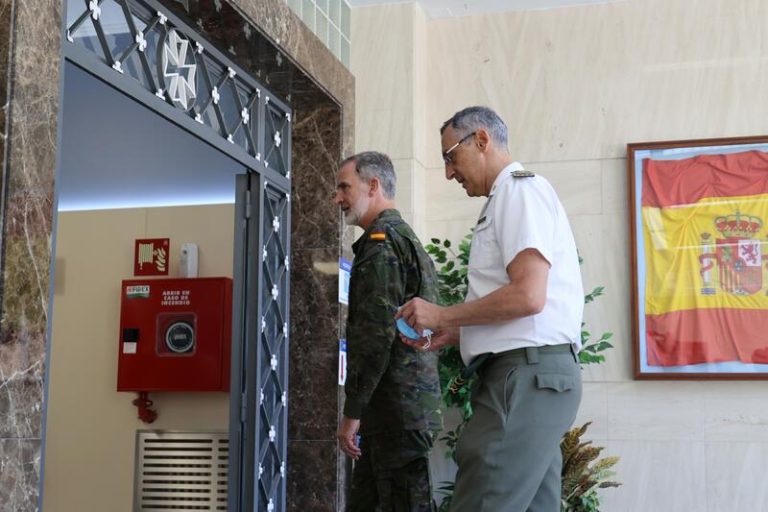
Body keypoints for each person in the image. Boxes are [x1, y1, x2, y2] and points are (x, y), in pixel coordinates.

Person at [397, 106, 584, 512]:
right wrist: (461, 332)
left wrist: (443, 315)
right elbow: (529, 308)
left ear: (481, 140)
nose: (449, 172)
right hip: (532, 376)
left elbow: (529, 295)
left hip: (523, 378)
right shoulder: (511, 195)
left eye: (450, 156)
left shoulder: (518, 191)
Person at [334, 151, 443, 512]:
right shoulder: (402, 238)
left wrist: (352, 413)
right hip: (401, 410)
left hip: (393, 411)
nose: (338, 198)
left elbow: (373, 338)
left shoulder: (381, 245)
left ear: (374, 185)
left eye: (345, 187)